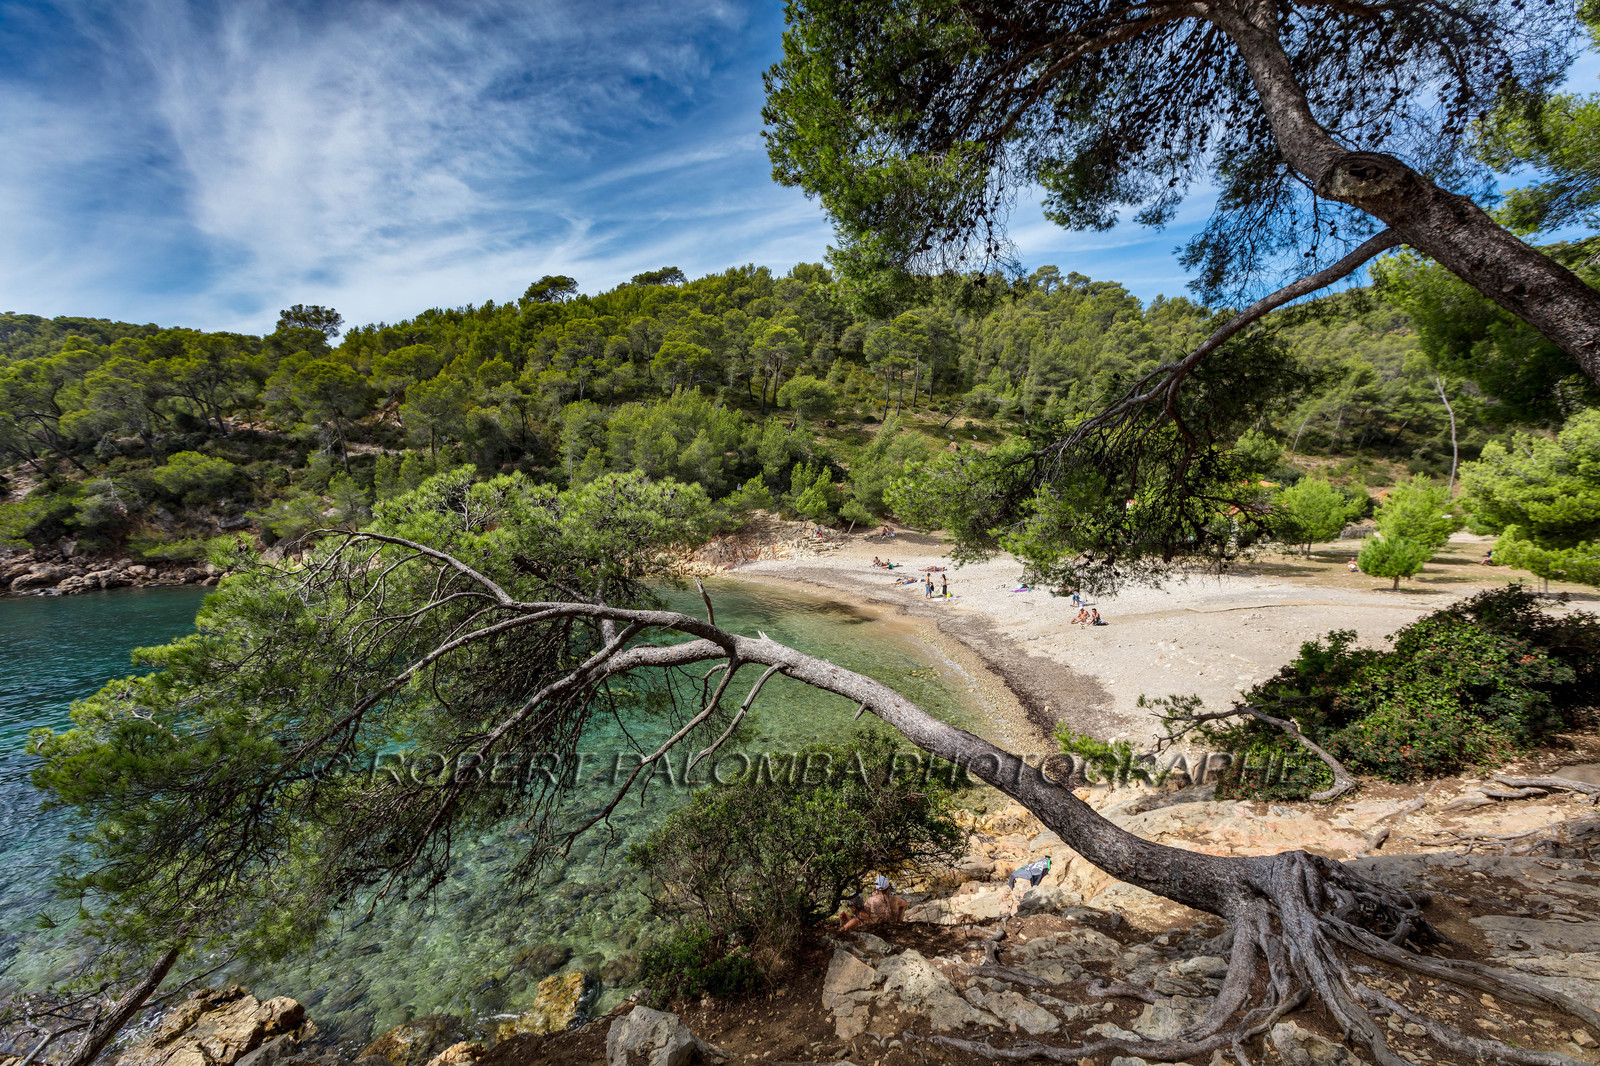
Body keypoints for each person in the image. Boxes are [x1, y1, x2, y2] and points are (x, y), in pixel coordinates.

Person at [838, 875, 907, 932]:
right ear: (888, 888)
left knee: (856, 920)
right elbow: (905, 904)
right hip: (893, 927)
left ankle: (840, 930)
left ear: (875, 887)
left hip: (878, 930)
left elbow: (861, 916)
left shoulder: (871, 900)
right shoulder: (895, 899)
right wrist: (899, 920)